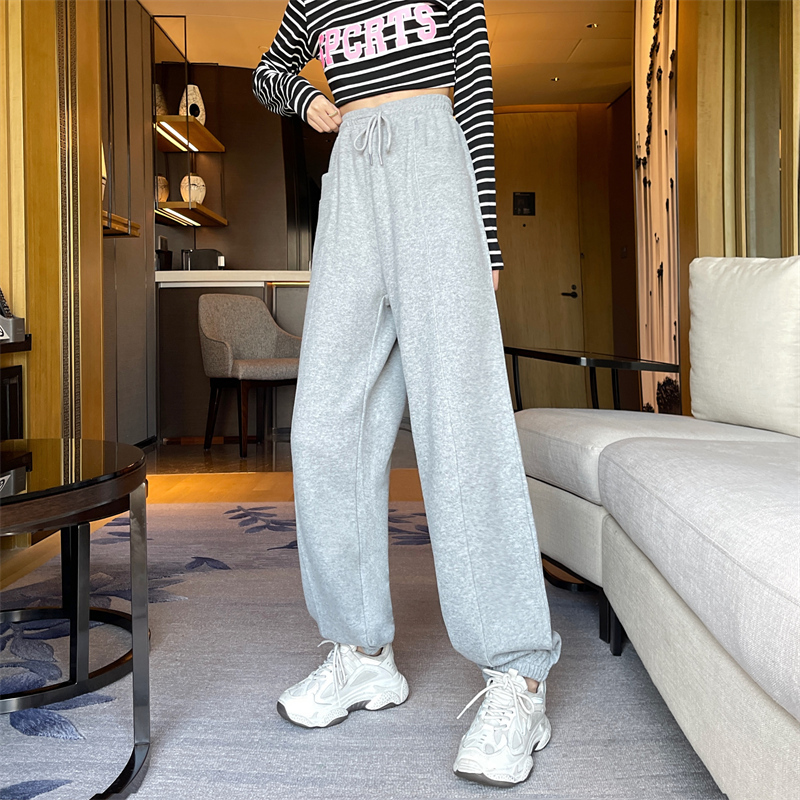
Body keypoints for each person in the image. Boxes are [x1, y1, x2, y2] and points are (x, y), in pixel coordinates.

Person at [252, 0, 561, 787]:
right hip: (352, 172)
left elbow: (476, 95)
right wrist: (306, 98)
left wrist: (487, 235)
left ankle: (518, 675)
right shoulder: (312, 3)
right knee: (326, 424)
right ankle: (361, 651)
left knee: (459, 421)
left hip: (434, 167)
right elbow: (268, 71)